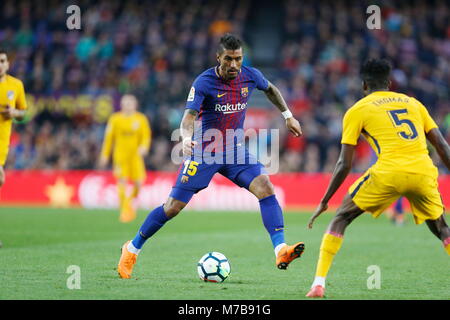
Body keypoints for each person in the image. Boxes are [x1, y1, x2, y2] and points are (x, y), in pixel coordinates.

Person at [117, 33, 305, 279]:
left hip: (234, 150)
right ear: (219, 58)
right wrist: (186, 139)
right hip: (205, 152)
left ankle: (281, 249)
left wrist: (287, 115)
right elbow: (188, 118)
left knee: (266, 188)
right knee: (172, 207)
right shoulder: (203, 82)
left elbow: (270, 89)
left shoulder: (251, 75)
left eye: (238, 59)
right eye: (229, 59)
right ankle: (131, 250)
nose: (234, 65)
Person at [306, 59, 450, 298]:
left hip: (388, 173)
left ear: (364, 85)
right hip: (423, 172)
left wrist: (325, 199)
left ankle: (318, 284)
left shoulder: (357, 110)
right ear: (390, 83)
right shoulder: (414, 104)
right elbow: (443, 147)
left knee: (341, 217)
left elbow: (344, 163)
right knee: (442, 228)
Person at [99, 94, 151, 223]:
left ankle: (129, 204)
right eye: (125, 103)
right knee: (121, 182)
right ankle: (125, 210)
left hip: (135, 157)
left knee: (139, 183)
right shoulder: (115, 119)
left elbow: (146, 136)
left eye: (130, 103)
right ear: (121, 105)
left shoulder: (141, 119)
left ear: (135, 105)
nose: (128, 106)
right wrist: (105, 155)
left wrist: (144, 147)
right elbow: (109, 138)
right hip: (120, 157)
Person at [0, 49, 27, 248]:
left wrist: (14, 112)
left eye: (2, 61)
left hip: (3, 142)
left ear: (7, 64)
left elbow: (23, 113)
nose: (0, 64)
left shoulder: (16, 85)